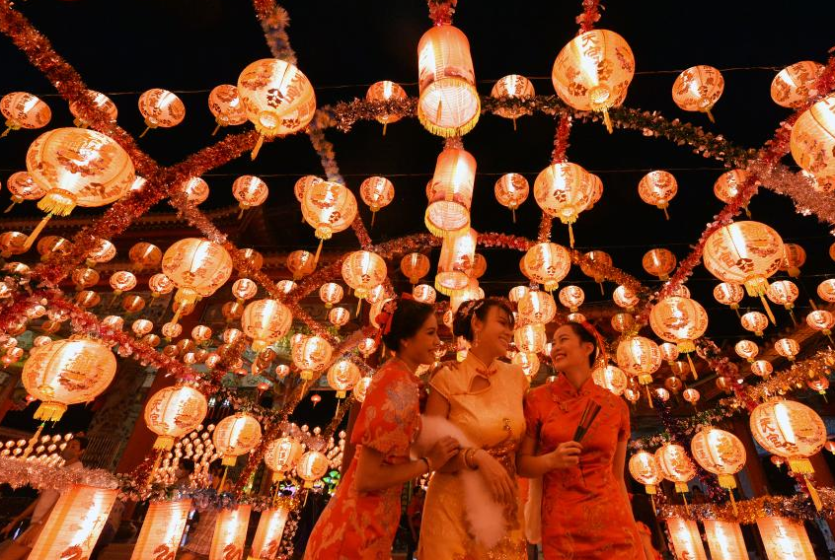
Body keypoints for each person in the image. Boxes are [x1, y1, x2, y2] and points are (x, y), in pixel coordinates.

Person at [304, 296, 459, 559]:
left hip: (369, 519)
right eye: (431, 333)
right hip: (355, 529)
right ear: (405, 339)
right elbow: (368, 478)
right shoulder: (396, 385)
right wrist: (429, 463)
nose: (437, 342)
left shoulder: (400, 378)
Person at [518, 322, 646, 560]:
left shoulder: (615, 405)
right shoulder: (537, 400)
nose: (555, 347)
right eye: (553, 342)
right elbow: (522, 464)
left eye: (563, 339)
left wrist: (634, 532)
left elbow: (617, 477)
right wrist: (551, 460)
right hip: (562, 525)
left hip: (614, 522)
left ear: (587, 348)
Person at [418, 298, 528, 560]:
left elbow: (526, 446)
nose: (508, 332)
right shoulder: (447, 377)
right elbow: (431, 453)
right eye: (502, 323)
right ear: (477, 324)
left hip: (504, 508)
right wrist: (476, 456)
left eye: (511, 326)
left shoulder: (517, 378)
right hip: (453, 508)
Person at [0, 435, 89, 560]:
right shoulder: (60, 469)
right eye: (68, 445)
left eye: (73, 446)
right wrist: (17, 520)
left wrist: (38, 526)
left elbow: (62, 502)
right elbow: (41, 499)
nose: (69, 448)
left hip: (45, 526)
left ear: (81, 451)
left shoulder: (76, 471)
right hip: (37, 523)